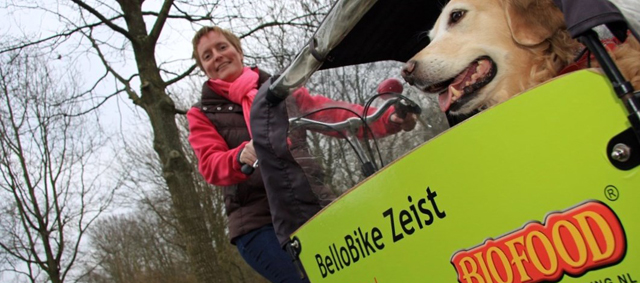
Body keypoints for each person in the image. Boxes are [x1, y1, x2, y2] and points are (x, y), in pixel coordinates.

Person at [187, 26, 417, 283]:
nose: (217, 56)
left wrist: (387, 117)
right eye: (207, 56)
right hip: (259, 222)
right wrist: (241, 154)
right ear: (203, 68)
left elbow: (330, 111)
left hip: (311, 203)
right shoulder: (202, 113)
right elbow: (209, 163)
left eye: (222, 47)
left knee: (370, 262)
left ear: (238, 51)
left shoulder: (280, 88)